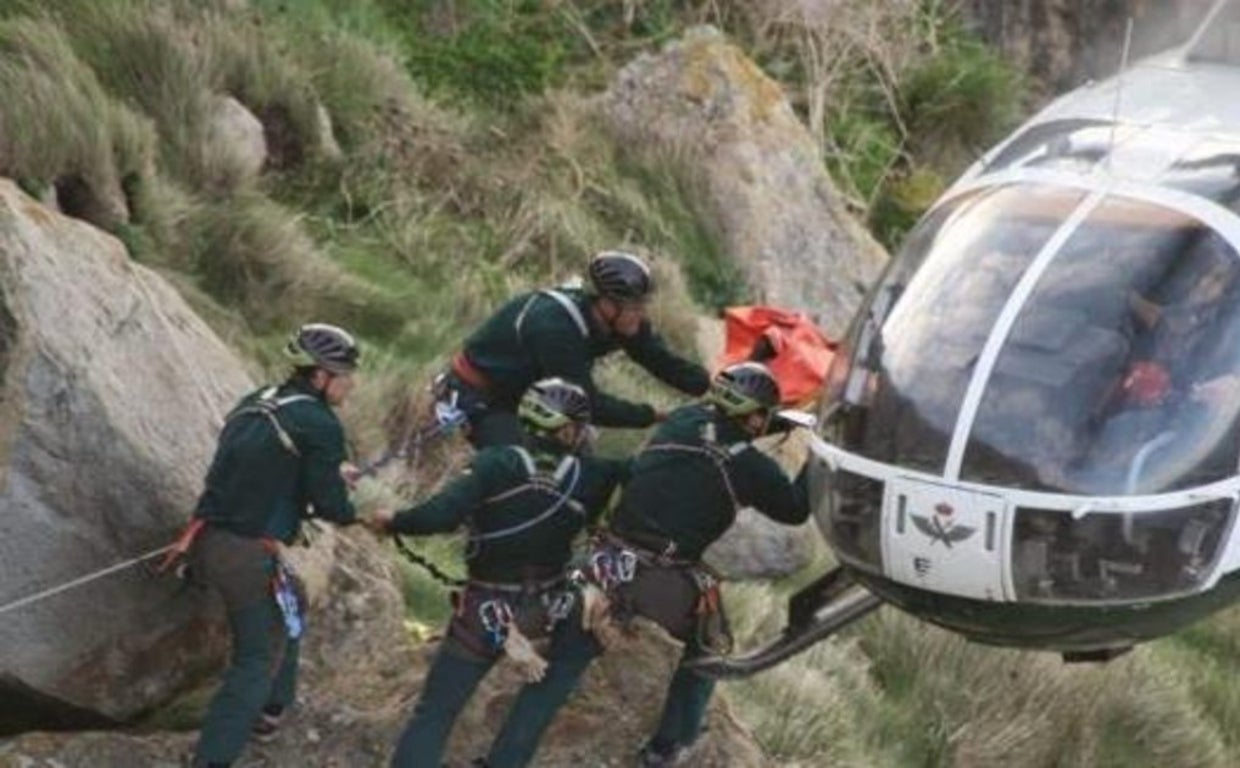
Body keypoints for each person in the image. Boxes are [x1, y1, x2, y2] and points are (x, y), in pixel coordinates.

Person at [367, 378, 630, 768]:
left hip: (486, 606)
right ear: (569, 429)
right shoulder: (595, 475)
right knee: (543, 699)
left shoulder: (495, 462)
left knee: (437, 713)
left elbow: (439, 517)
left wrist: (393, 522)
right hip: (550, 605)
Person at [592, 361, 811, 767]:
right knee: (711, 645)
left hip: (604, 550)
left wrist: (771, 420)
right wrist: (820, 456)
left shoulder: (683, 419)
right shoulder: (751, 467)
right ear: (754, 417)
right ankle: (669, 748)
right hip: (658, 569)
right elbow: (796, 509)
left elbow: (720, 434)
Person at [187, 323, 361, 768]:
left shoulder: (258, 400)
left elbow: (254, 466)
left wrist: (324, 473)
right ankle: (213, 758)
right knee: (256, 658)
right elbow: (330, 505)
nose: (351, 383)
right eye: (345, 374)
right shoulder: (321, 424)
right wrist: (352, 507)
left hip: (207, 540)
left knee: (293, 605)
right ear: (320, 376)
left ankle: (271, 710)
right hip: (247, 555)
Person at [438, 250, 710, 448]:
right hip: (480, 395)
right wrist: (654, 415)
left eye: (643, 306)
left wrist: (710, 387)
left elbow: (656, 357)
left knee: (578, 466)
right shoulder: (556, 328)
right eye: (634, 307)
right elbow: (585, 404)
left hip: (526, 394)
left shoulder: (617, 320)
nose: (640, 315)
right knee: (521, 470)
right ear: (606, 303)